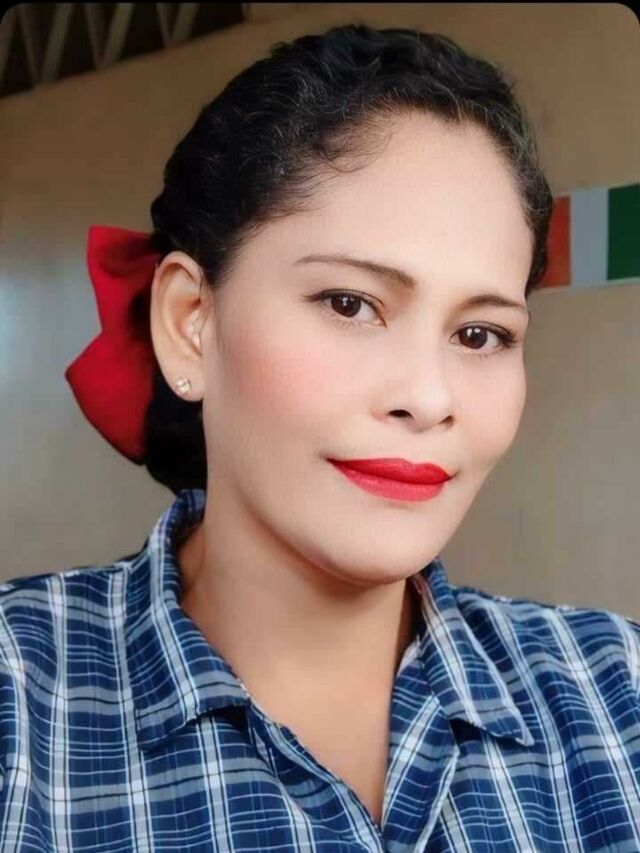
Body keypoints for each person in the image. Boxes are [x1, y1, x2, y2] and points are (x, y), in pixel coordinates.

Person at [1, 22, 638, 852]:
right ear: (190, 322)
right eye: (350, 304)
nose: (427, 397)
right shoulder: (20, 700)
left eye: (480, 334)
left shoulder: (616, 689)